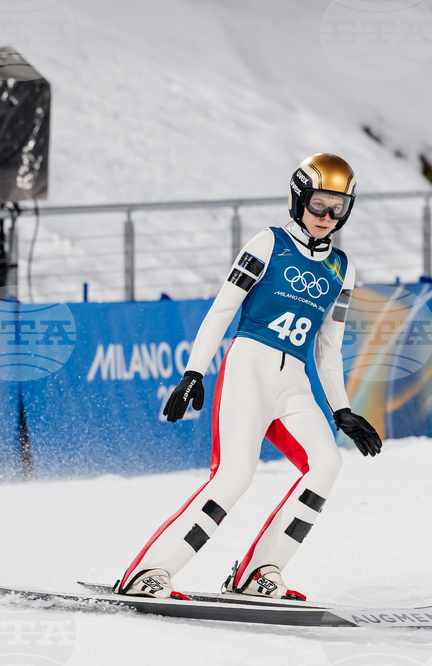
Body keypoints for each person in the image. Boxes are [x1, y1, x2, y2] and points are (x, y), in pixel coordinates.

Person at [115, 154, 382, 601]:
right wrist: (193, 372)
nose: (326, 217)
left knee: (327, 464)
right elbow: (222, 309)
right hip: (248, 371)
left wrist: (341, 410)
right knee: (234, 476)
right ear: (298, 200)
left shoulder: (343, 268)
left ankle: (259, 573)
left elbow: (328, 347)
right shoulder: (267, 243)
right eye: (318, 204)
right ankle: (148, 573)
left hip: (294, 381)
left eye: (338, 208)